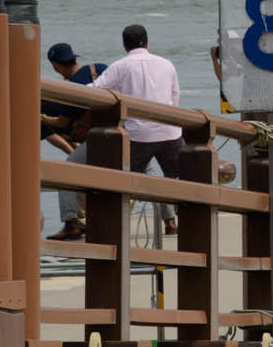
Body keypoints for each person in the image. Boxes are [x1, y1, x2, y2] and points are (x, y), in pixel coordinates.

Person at [93, 23, 186, 229]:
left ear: (124, 45)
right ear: (147, 42)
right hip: (170, 132)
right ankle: (183, 217)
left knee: (122, 181)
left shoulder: (120, 66)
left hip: (137, 136)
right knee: (182, 179)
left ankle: (114, 227)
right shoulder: (167, 64)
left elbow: (95, 90)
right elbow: (175, 97)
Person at [40, 42, 105, 241]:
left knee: (65, 173)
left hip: (97, 139)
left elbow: (62, 122)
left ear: (55, 66)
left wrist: (44, 118)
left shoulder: (70, 89)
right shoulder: (99, 69)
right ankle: (170, 219)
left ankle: (71, 224)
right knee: (145, 171)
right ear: (75, 58)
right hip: (124, 132)